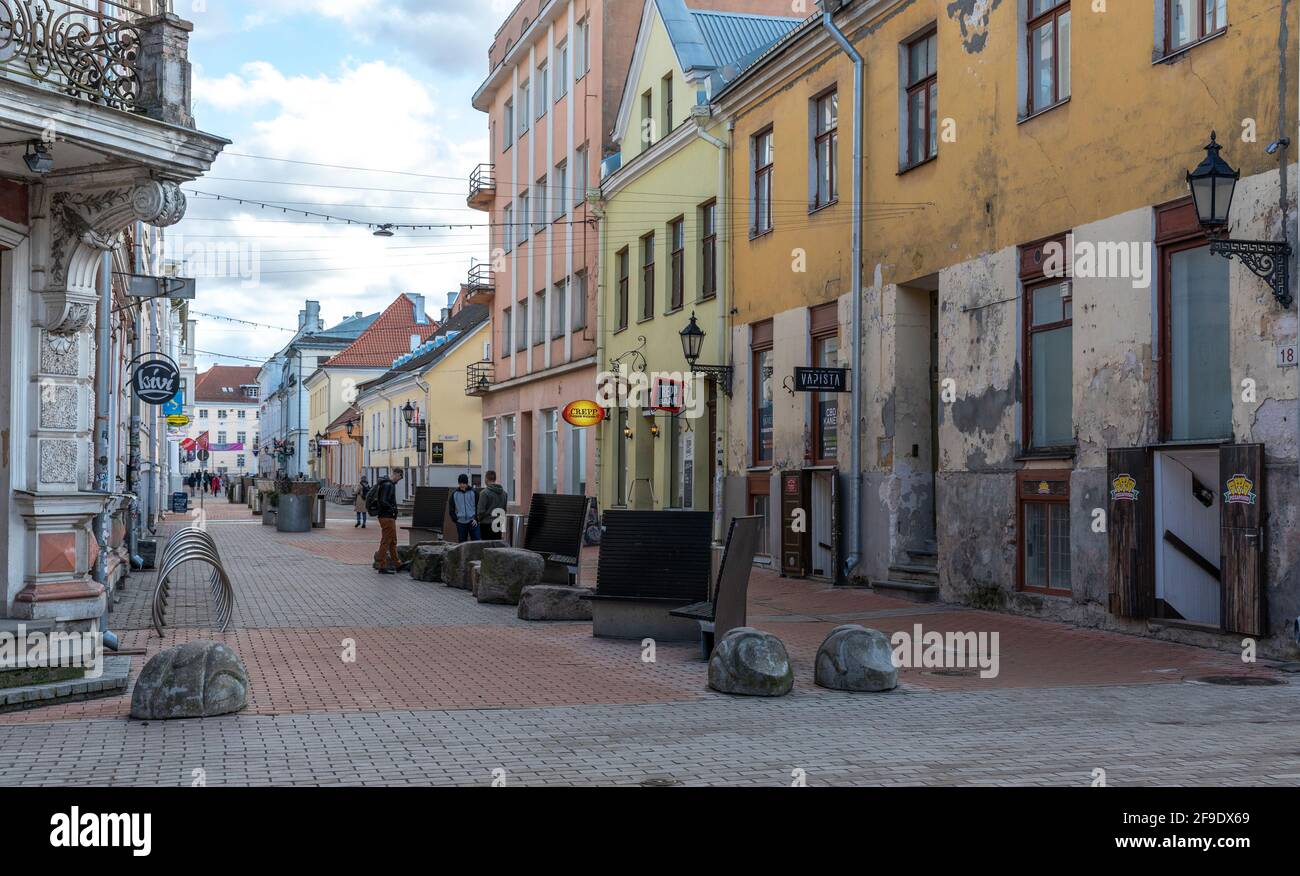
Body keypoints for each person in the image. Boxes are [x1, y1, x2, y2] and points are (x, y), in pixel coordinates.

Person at [371, 468, 402, 574]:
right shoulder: (388, 485)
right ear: (396, 474)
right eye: (400, 477)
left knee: (392, 540)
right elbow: (383, 501)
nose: (399, 480)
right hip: (387, 516)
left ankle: (397, 563)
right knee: (386, 540)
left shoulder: (386, 484)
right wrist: (392, 509)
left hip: (388, 516)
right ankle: (382, 565)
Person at [476, 470, 509, 539]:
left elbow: (481, 511)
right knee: (496, 547)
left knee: (487, 547)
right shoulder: (504, 493)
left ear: (486, 479)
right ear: (495, 479)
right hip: (498, 524)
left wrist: (478, 519)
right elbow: (504, 511)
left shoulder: (484, 493)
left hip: (486, 524)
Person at [448, 474, 480, 542]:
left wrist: (476, 519)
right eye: (460, 483)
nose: (462, 485)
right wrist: (455, 519)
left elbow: (478, 506)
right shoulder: (454, 494)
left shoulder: (474, 493)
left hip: (473, 521)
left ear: (467, 483)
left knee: (476, 541)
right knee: (462, 543)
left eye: (463, 484)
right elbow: (451, 508)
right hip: (460, 522)